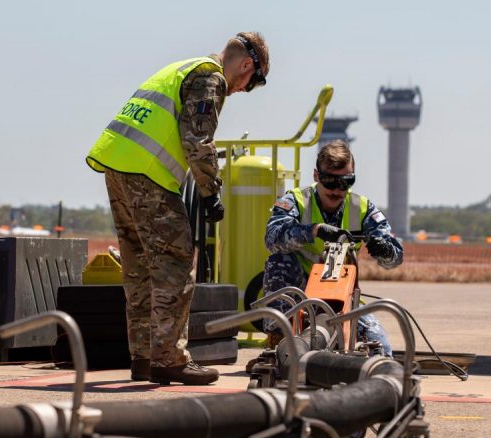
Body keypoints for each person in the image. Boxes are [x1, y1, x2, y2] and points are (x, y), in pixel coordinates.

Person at [86, 32, 270, 385]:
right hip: (147, 174)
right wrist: (210, 190)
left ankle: (143, 358)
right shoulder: (210, 77)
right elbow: (197, 138)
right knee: (175, 262)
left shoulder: (181, 67)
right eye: (252, 82)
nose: (244, 90)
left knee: (139, 267)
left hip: (117, 164)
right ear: (247, 65)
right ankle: (169, 359)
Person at [261, 140, 402, 357]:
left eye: (345, 182)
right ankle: (279, 337)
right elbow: (272, 239)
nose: (337, 190)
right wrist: (313, 231)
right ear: (317, 176)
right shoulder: (297, 201)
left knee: (381, 351)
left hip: (343, 296)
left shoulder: (362, 208)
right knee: (279, 263)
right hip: (300, 295)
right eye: (329, 181)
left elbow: (395, 258)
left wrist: (383, 250)